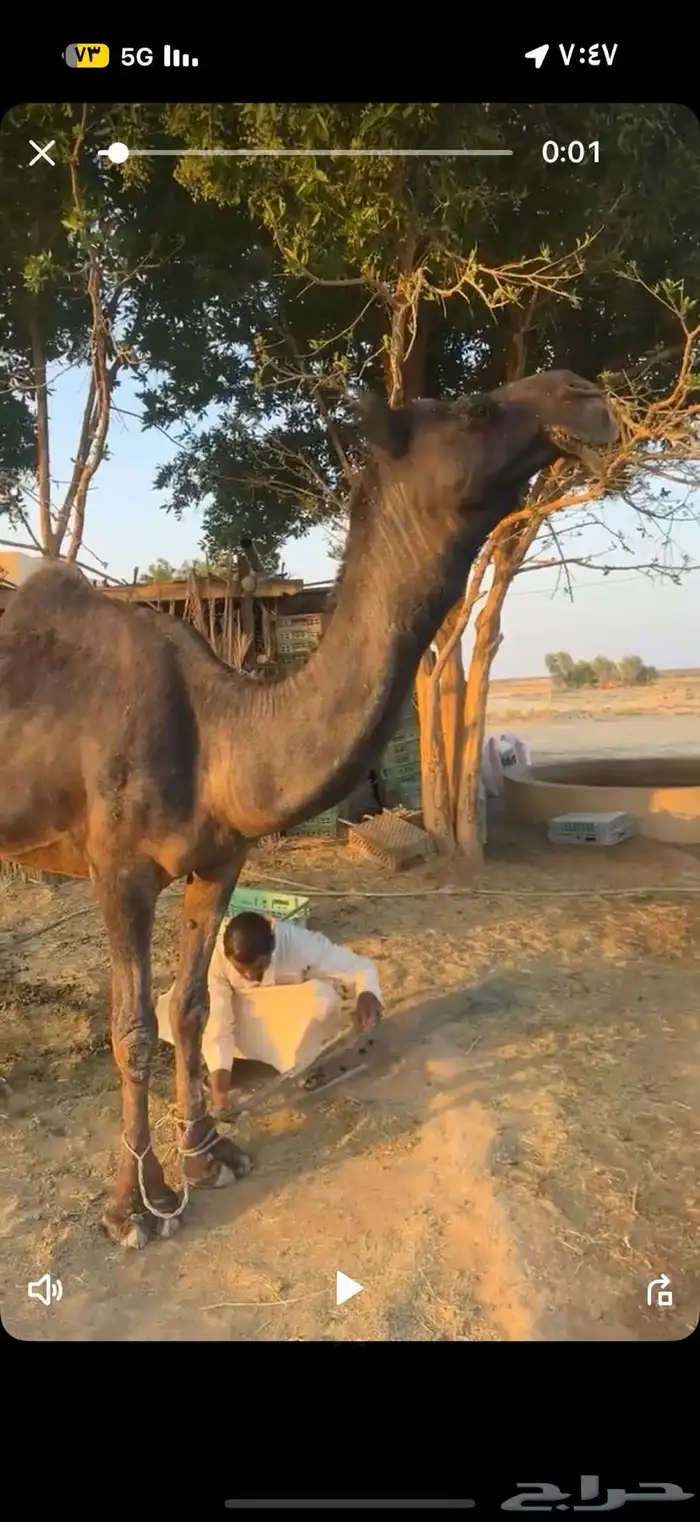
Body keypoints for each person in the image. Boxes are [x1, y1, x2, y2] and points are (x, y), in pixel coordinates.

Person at [156, 910, 383, 1113]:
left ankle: (299, 1064)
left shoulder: (298, 943)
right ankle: (225, 1067)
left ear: (273, 948)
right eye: (241, 971)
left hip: (280, 1011)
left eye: (259, 967)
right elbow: (219, 1023)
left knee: (323, 999)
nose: (251, 977)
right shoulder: (215, 957)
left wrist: (367, 993)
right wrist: (220, 1095)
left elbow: (360, 966)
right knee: (206, 1011)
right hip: (238, 1014)